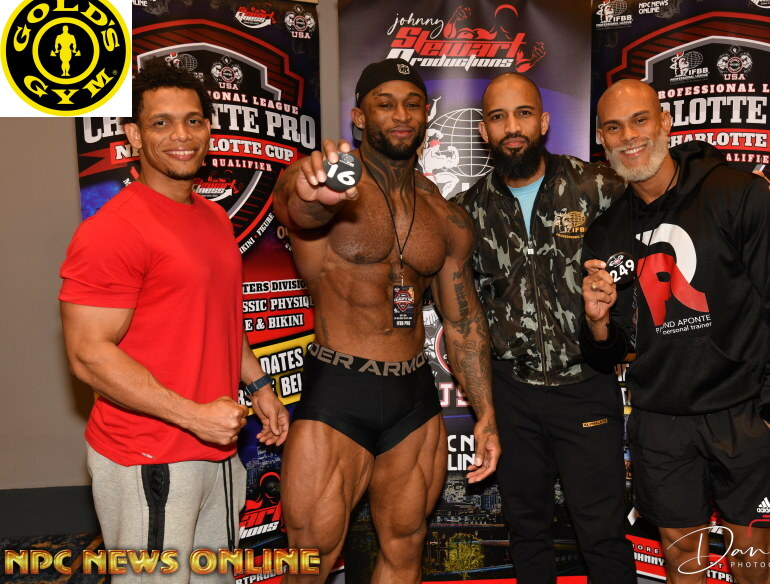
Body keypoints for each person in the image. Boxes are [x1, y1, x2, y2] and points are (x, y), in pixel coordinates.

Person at [455, 72, 770, 584]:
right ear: (483, 130)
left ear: (543, 122)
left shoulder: (597, 185)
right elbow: (461, 313)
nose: (513, 127)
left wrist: (761, 194)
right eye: (498, 117)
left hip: (593, 388)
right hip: (520, 392)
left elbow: (670, 173)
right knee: (527, 527)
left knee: (607, 532)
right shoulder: (465, 213)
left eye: (523, 113)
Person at [60, 57, 289, 581]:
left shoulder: (211, 217)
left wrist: (259, 386)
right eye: (161, 123)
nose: (181, 135)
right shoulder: (113, 230)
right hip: (149, 455)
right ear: (134, 136)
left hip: (214, 448)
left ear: (209, 129)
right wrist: (191, 415)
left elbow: (219, 320)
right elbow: (88, 355)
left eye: (193, 120)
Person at [580, 79, 770, 584]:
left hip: (742, 413)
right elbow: (612, 351)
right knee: (683, 562)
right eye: (614, 128)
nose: (629, 136)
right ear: (602, 141)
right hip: (660, 422)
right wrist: (597, 323)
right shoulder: (605, 232)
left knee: (752, 564)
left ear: (665, 123)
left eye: (640, 120)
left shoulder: (737, 193)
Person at [273, 58, 499, 583]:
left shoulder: (444, 214)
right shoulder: (322, 179)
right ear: (359, 116)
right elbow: (298, 209)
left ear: (425, 115)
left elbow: (463, 322)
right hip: (339, 390)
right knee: (310, 557)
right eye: (385, 104)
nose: (401, 115)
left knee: (406, 547)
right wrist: (318, 195)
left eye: (412, 104)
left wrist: (486, 411)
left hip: (412, 398)